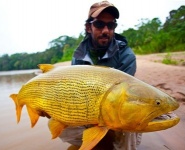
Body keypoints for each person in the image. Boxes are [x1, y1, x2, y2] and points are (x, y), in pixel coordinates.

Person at [59, 1, 142, 150]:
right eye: (99, 24)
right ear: (88, 27)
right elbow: (75, 94)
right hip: (89, 109)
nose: (106, 30)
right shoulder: (78, 57)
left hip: (116, 110)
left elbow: (122, 100)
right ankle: (98, 143)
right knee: (59, 120)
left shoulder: (126, 56)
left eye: (111, 26)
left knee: (131, 122)